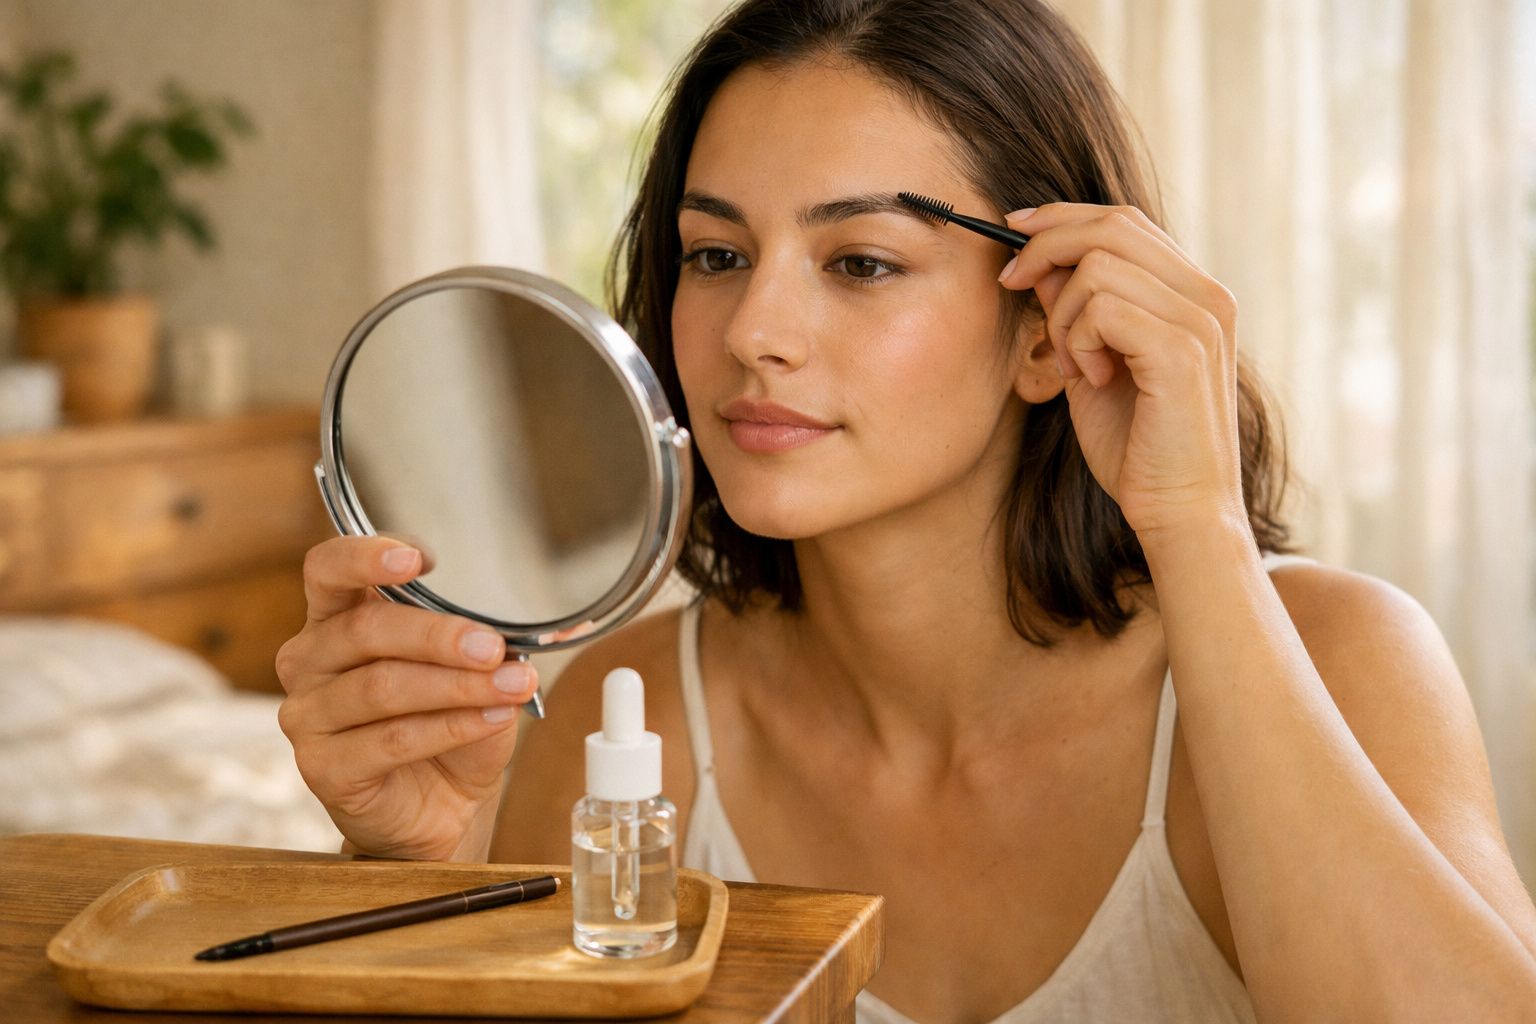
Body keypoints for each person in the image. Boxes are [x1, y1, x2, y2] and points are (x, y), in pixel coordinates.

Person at [275, 1, 1536, 1019]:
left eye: (861, 262)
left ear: (1047, 324)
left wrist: (1193, 521)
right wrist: (419, 872)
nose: (751, 333)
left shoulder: (1347, 661)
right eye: (716, 255)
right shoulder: (628, 725)